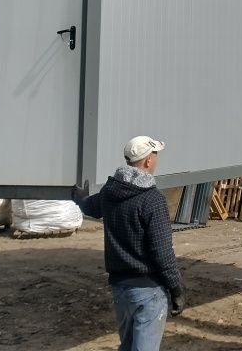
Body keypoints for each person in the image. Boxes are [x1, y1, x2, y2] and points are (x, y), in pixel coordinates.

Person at [74, 135, 185, 351]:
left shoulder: (110, 192)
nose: (156, 160)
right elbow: (162, 252)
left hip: (120, 288)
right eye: (155, 155)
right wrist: (176, 288)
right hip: (149, 289)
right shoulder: (152, 199)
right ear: (147, 162)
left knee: (127, 345)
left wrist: (79, 198)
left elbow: (90, 208)